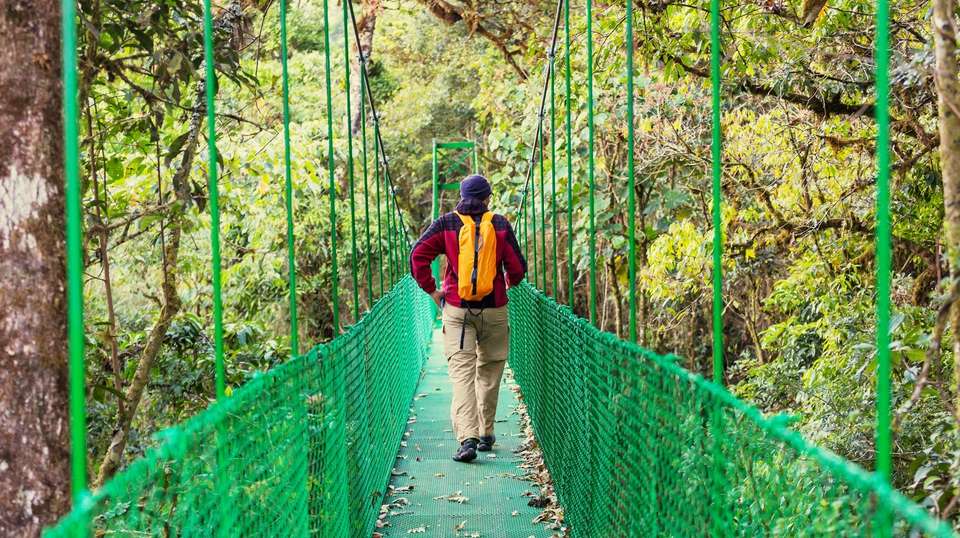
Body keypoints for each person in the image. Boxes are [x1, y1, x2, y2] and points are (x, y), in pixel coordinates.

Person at [410, 174, 527, 462]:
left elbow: (417, 256)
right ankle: (486, 432)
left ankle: (468, 439)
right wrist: (508, 283)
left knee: (462, 376)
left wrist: (433, 291)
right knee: (489, 370)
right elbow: (518, 268)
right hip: (495, 309)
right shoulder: (499, 224)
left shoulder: (446, 223)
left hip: (457, 310)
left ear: (461, 197)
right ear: (488, 198)